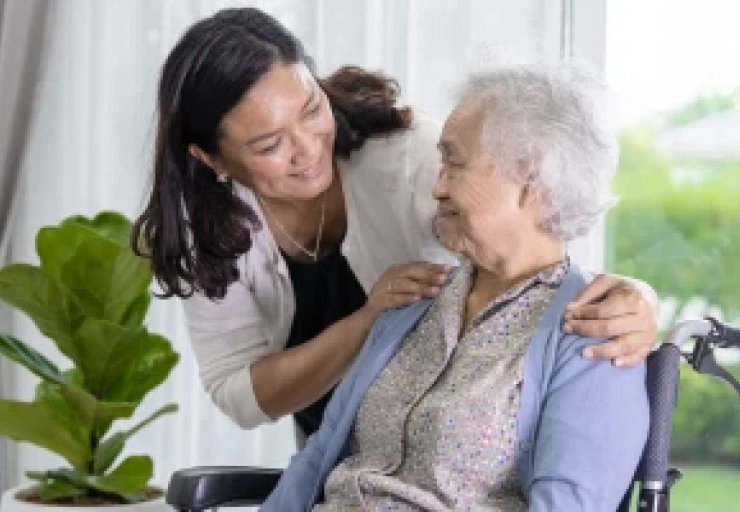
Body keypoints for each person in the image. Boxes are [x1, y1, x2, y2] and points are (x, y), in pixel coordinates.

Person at [131, 7, 657, 435]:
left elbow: (536, 243)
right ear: (211, 159)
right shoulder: (208, 228)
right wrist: (366, 324)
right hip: (341, 455)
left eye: (312, 110)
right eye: (270, 144)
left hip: (448, 444)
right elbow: (241, 395)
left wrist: (632, 299)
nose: (309, 148)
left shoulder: (413, 161)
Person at [263, 64, 648, 511]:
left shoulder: (592, 335)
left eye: (454, 163)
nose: (438, 187)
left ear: (530, 182)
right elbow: (320, 453)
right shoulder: (413, 300)